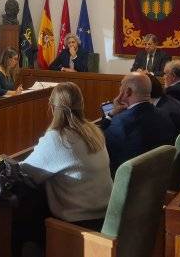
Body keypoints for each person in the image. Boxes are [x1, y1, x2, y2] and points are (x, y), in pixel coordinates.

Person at [21, 82, 112, 230]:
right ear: (81, 104)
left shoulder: (58, 138)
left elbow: (25, 173)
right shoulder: (94, 131)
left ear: (52, 107)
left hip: (78, 223)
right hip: (104, 214)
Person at [98, 73, 176, 174]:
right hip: (158, 175)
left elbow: (98, 142)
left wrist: (111, 115)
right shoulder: (164, 114)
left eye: (121, 86)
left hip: (124, 177)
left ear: (127, 92)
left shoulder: (120, 123)